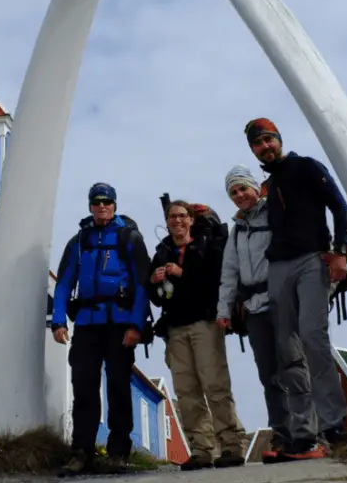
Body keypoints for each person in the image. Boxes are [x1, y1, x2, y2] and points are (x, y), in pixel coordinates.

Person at [244, 117, 347, 459]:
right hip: (279, 267)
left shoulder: (306, 166)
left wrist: (339, 252)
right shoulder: (270, 185)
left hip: (312, 260)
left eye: (268, 140)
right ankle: (302, 434)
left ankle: (334, 424)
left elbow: (340, 207)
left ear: (278, 139)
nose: (265, 147)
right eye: (257, 144)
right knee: (286, 348)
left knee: (313, 337)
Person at [50, 182, 152, 476]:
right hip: (86, 324)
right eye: (96, 202)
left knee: (119, 387)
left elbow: (142, 285)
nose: (102, 206)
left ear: (115, 204)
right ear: (90, 205)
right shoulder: (79, 241)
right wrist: (59, 321)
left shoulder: (129, 238)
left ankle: (118, 452)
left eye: (107, 201)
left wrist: (136, 325)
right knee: (83, 388)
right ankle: (81, 452)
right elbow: (65, 284)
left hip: (120, 323)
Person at [150, 199, 246, 470]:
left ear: (191, 220)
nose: (177, 221)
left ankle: (230, 446)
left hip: (205, 323)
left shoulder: (208, 246)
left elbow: (215, 282)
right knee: (186, 390)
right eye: (172, 217)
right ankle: (201, 450)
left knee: (215, 384)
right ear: (167, 222)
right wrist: (154, 281)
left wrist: (182, 273)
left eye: (182, 216)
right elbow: (156, 299)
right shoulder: (162, 251)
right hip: (175, 328)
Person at [215, 164, 292, 457]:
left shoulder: (275, 213)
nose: (239, 195)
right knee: (268, 374)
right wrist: (224, 309)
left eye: (242, 188)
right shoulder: (237, 231)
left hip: (281, 300)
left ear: (254, 187)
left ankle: (309, 433)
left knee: (294, 367)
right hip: (254, 309)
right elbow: (229, 272)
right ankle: (282, 437)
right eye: (233, 192)